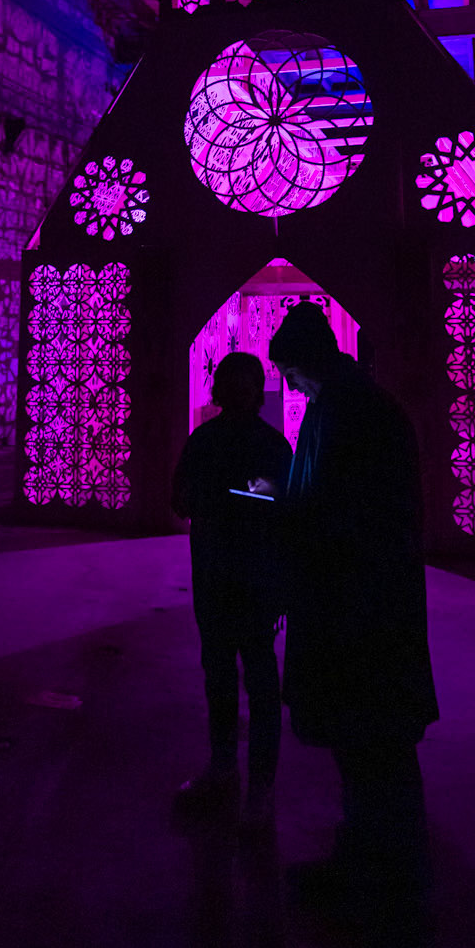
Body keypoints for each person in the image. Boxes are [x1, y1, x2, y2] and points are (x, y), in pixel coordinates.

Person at [267, 302, 438, 913]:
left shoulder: (349, 411)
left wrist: (291, 525)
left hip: (358, 602)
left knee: (369, 737)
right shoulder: (348, 405)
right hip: (360, 594)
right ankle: (376, 863)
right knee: (370, 739)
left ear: (307, 361)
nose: (289, 386)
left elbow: (343, 512)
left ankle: (380, 879)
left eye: (290, 373)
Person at [171, 350, 294, 829]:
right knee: (236, 676)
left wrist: (220, 495)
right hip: (237, 576)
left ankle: (242, 777)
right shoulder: (266, 444)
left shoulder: (211, 442)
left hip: (232, 575)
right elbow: (186, 497)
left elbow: (189, 499)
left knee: (240, 677)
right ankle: (240, 776)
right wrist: (238, 493)